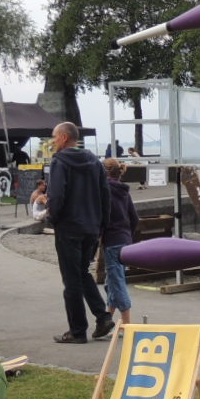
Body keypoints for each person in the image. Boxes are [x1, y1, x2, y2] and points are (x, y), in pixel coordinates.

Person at [47, 122, 111, 344]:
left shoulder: (60, 161)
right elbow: (105, 194)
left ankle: (77, 330)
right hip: (91, 226)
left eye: (55, 136)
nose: (53, 140)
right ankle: (102, 317)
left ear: (64, 137)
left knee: (71, 279)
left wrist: (52, 217)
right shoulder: (95, 161)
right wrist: (102, 224)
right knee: (82, 272)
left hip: (69, 226)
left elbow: (57, 194)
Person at [102, 157, 140, 330]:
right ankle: (106, 321)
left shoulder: (104, 191)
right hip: (125, 241)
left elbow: (101, 217)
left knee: (117, 282)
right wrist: (127, 236)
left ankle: (127, 325)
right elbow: (134, 218)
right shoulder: (124, 191)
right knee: (112, 281)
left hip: (111, 241)